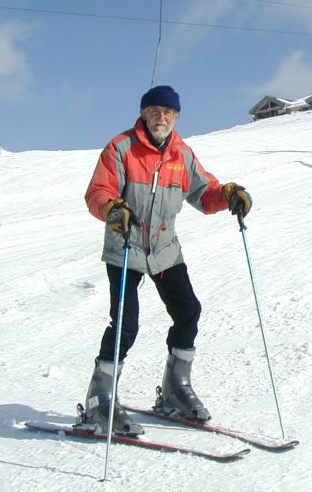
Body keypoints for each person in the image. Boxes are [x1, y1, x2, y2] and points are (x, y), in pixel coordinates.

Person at [78, 85, 252, 435]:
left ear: (177, 117)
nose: (161, 117)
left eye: (168, 112)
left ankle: (175, 389)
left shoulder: (182, 154)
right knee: (126, 324)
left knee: (188, 311)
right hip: (126, 244)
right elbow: (99, 192)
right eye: (155, 110)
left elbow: (205, 194)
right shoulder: (121, 147)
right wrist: (113, 209)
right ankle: (100, 401)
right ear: (143, 113)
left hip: (164, 248)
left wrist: (229, 194)